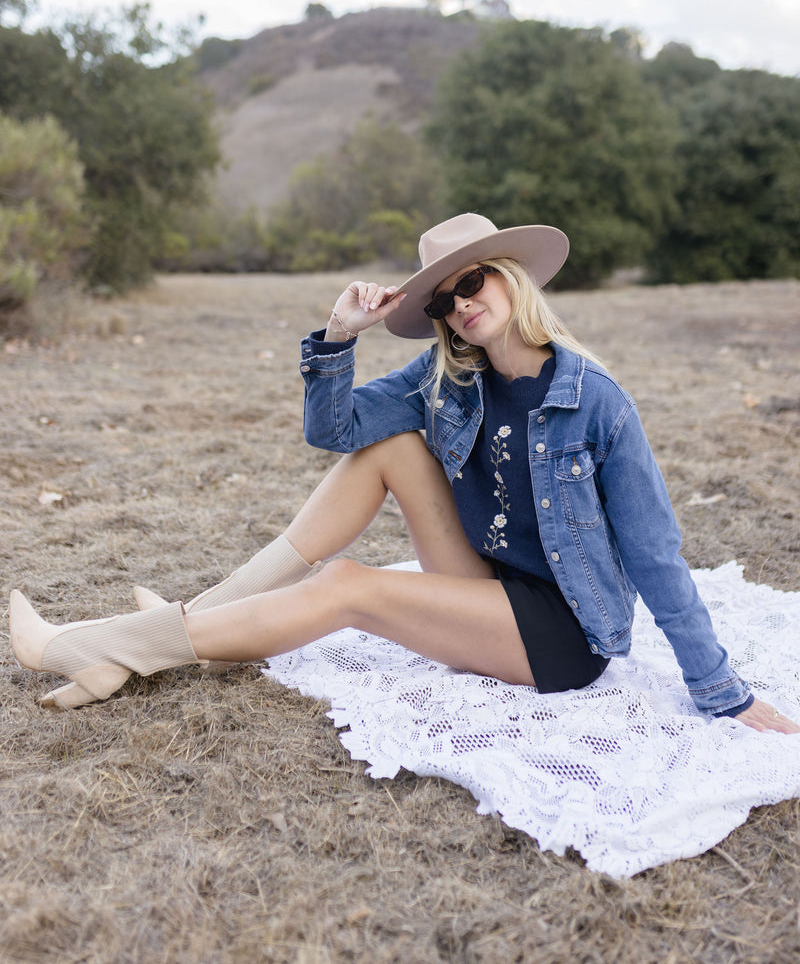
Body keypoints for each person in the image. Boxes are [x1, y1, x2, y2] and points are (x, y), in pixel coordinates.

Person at [9, 213, 799, 735]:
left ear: (510, 279)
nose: (459, 306)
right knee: (387, 448)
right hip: (483, 585)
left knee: (349, 585)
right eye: (444, 299)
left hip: (556, 632)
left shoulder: (597, 404)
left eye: (472, 283)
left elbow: (657, 557)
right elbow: (335, 431)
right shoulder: (444, 377)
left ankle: (105, 645)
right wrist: (338, 335)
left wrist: (723, 693)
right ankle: (200, 617)